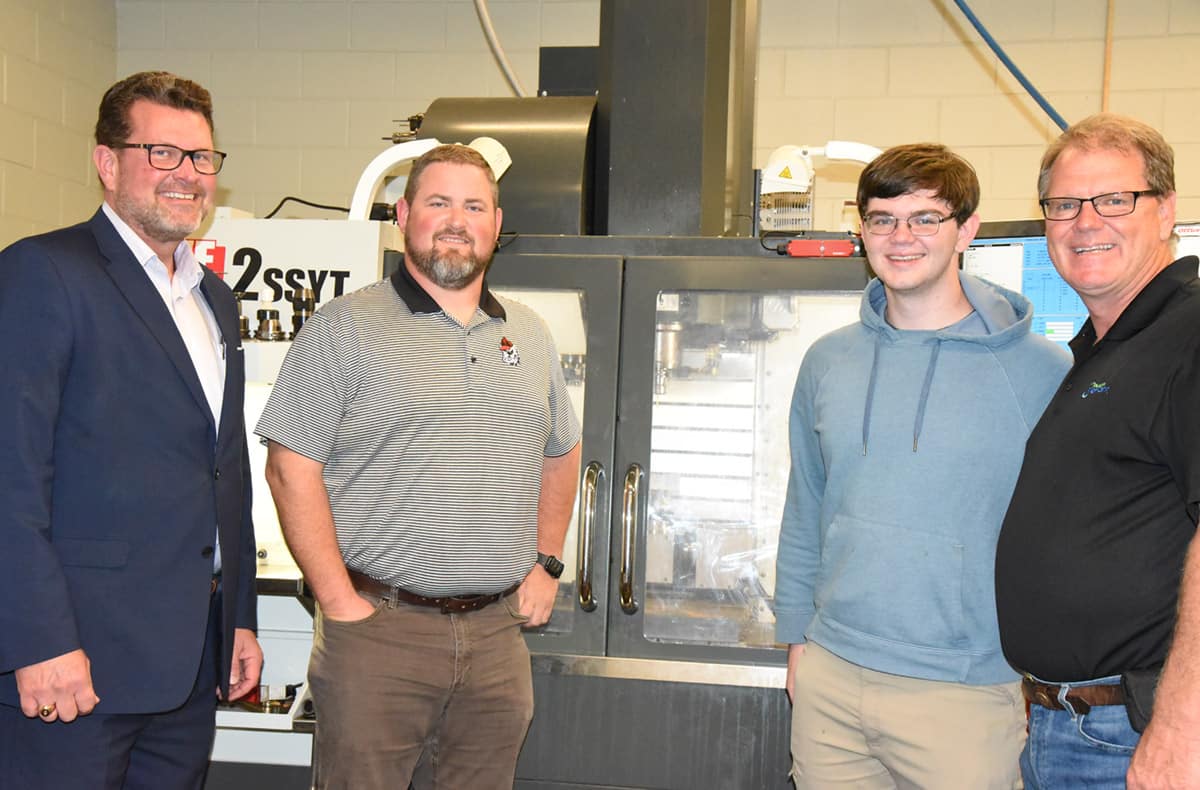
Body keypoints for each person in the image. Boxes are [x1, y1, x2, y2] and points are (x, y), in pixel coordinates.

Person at [257, 143, 582, 790]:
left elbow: (563, 450)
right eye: (438, 203)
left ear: (495, 221)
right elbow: (290, 468)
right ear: (404, 213)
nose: (456, 220)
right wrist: (338, 602)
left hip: (496, 637)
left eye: (473, 205)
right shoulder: (344, 328)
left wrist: (547, 562)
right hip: (379, 632)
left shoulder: (531, 333)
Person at [775, 143, 1070, 789]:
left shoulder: (1043, 372)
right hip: (831, 677)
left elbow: (1068, 536)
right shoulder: (828, 361)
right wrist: (799, 642)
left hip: (966, 691)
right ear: (862, 231)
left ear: (968, 229)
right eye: (882, 218)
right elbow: (807, 506)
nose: (900, 237)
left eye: (925, 218)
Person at [0, 71, 262, 790]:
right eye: (163, 153)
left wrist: (237, 617)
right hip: (72, 669)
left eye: (202, 158)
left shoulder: (215, 300)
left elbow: (223, 469)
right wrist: (40, 642)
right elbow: (9, 478)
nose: (188, 175)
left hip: (185, 671)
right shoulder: (43, 273)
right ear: (108, 162)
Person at [996, 113, 1200, 789]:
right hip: (1070, 723)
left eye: (1114, 199)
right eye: (1063, 205)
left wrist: (1178, 733)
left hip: (1134, 733)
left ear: (1166, 209)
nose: (1086, 222)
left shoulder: (1189, 333)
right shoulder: (1099, 351)